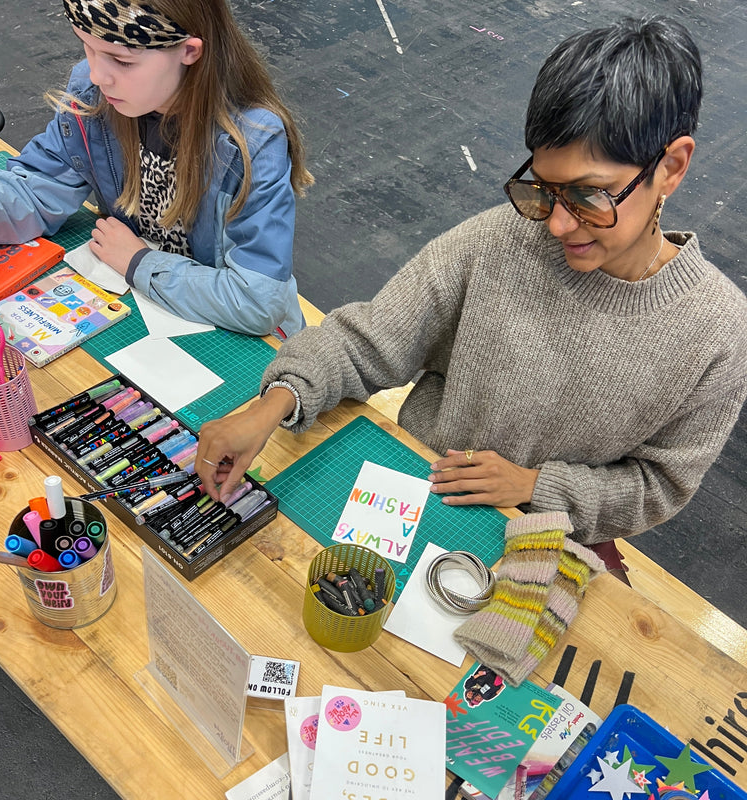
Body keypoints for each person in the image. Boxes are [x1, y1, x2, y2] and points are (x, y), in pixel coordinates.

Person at [195, 16, 747, 556]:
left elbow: (659, 484)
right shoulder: (503, 240)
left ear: (671, 167)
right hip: (414, 489)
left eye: (587, 195)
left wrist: (536, 487)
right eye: (544, 189)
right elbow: (371, 337)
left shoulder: (719, 334)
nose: (556, 224)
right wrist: (270, 405)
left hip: (537, 544)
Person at [0, 0, 313, 338]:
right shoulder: (97, 99)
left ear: (189, 51)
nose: (96, 75)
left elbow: (258, 301)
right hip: (146, 305)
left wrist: (138, 262)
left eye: (121, 60)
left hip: (250, 344)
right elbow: (39, 185)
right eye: (86, 48)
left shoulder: (251, 142)